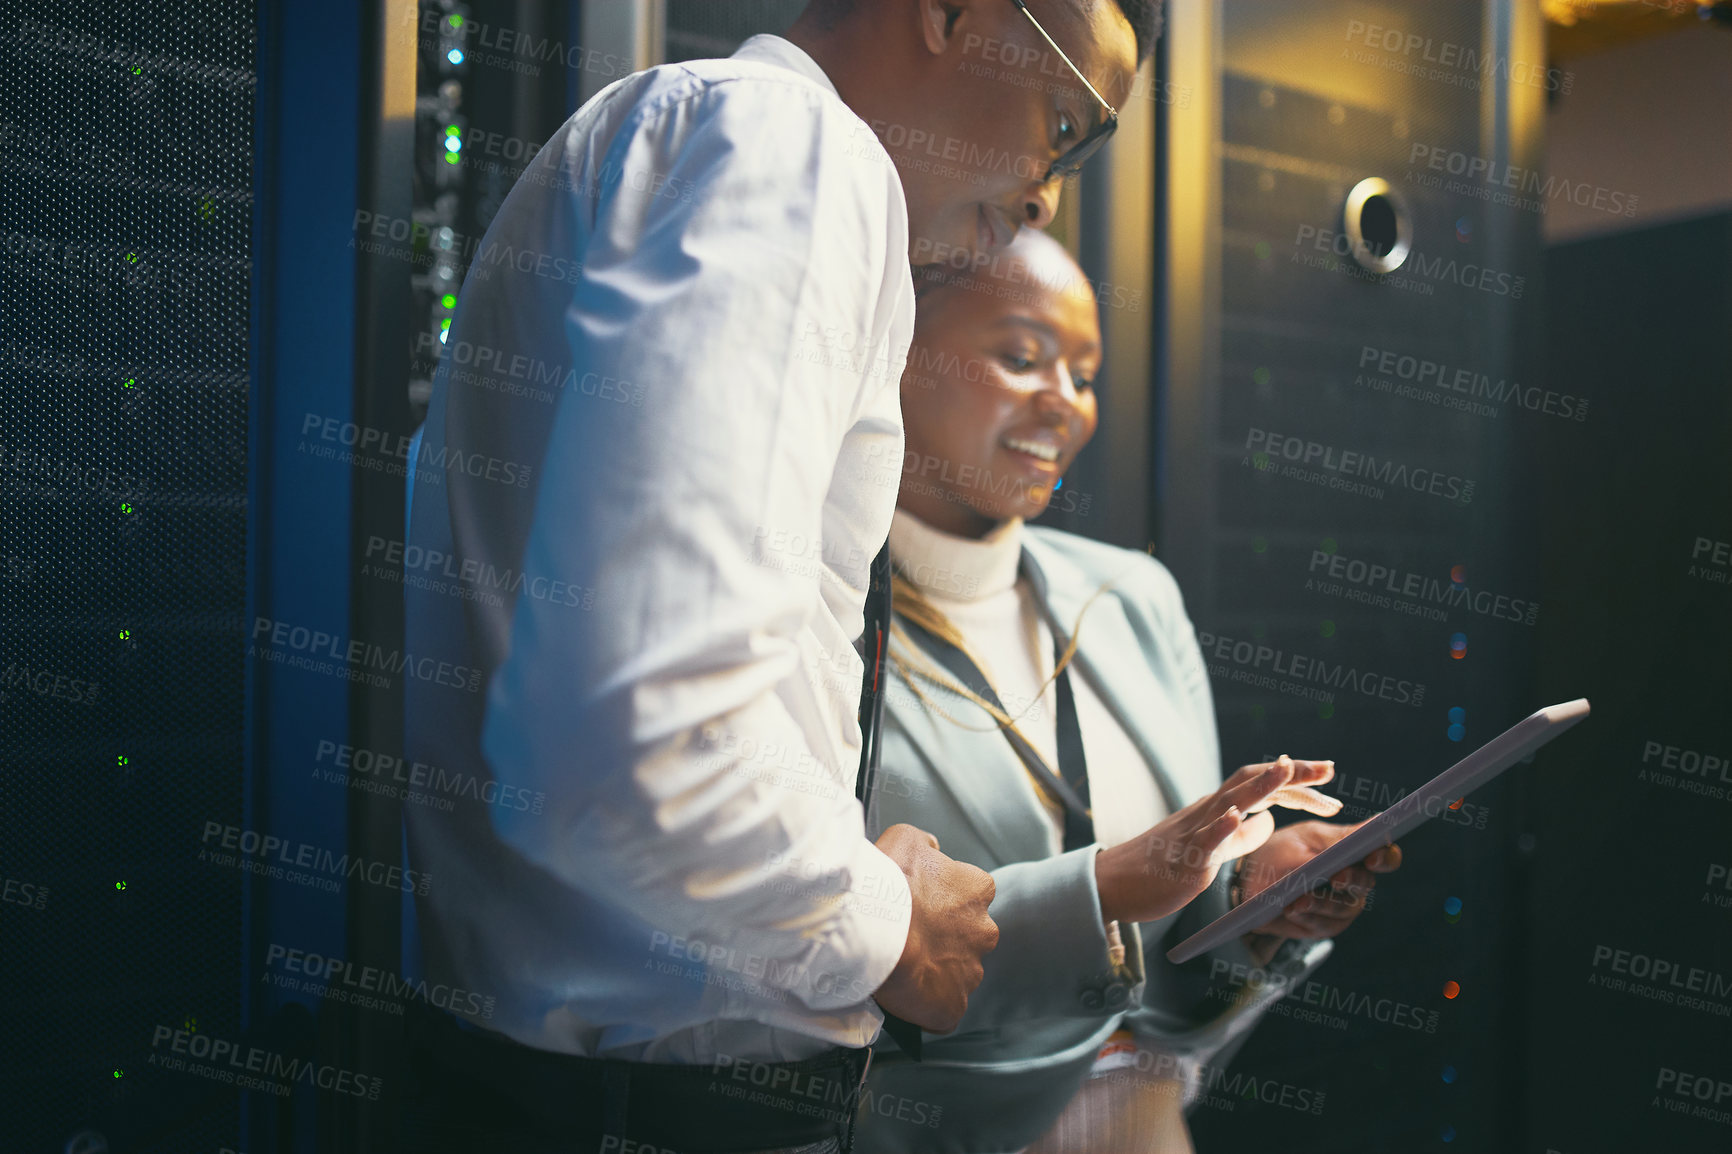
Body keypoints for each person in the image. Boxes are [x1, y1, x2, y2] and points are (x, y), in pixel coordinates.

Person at [395, 3, 1211, 1153]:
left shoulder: (696, 141)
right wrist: (885, 920)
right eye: (1067, 120)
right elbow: (639, 741)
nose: (1045, 194)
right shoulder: (789, 146)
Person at [851, 228, 1403, 1153]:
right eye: (1021, 357)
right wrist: (1101, 890)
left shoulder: (1135, 598)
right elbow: (824, 948)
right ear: (897, 355)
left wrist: (1254, 905)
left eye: (1083, 373)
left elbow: (1170, 954)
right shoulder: (818, 616)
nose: (1063, 402)